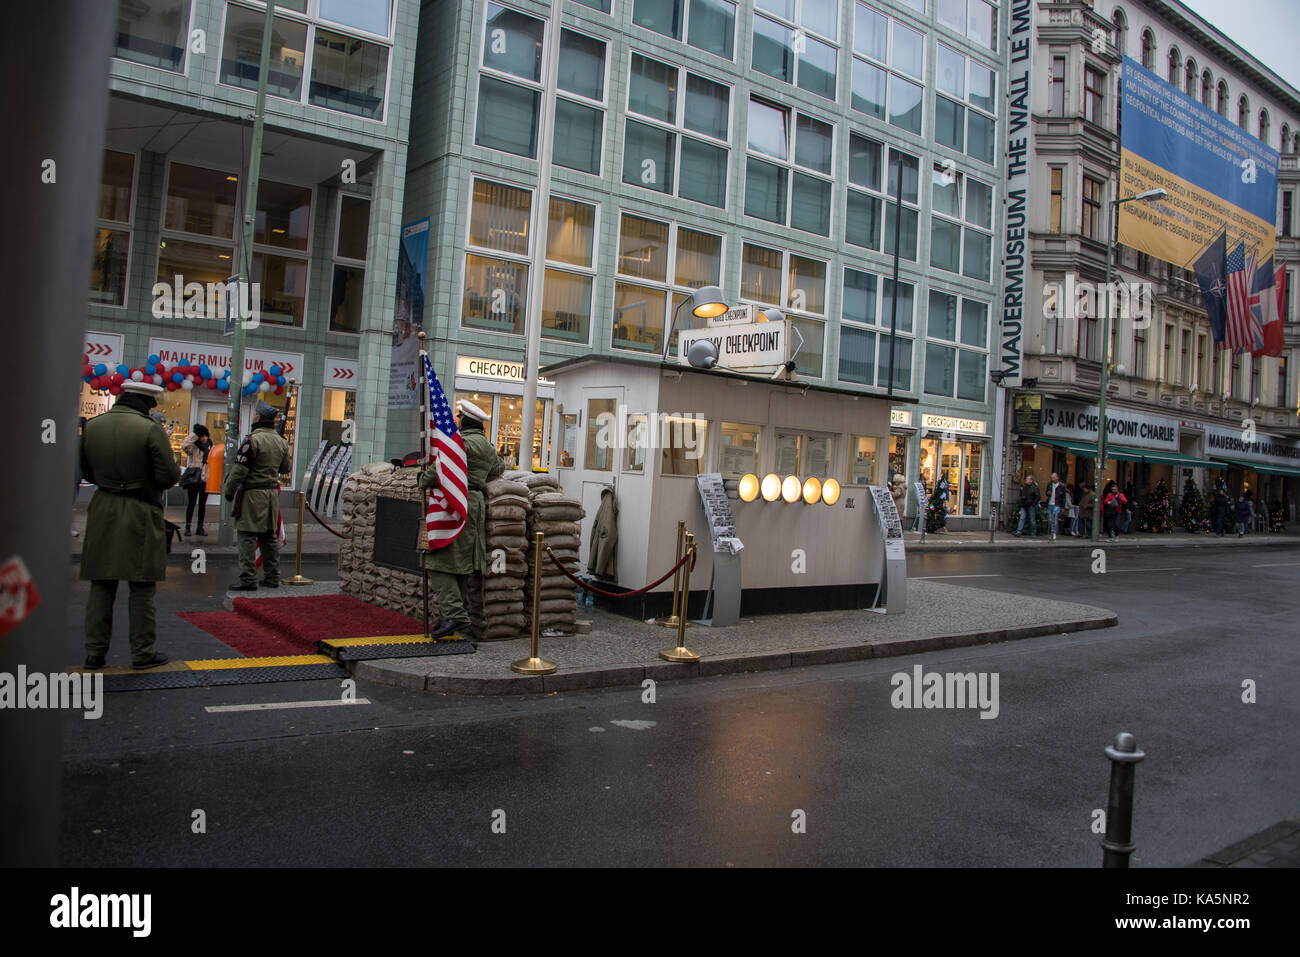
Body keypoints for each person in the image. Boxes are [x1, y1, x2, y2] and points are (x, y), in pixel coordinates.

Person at [78, 381, 180, 670]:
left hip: (102, 507)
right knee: (142, 585)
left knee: (101, 583)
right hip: (140, 508)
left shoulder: (93, 427)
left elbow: (85, 469)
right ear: (146, 404)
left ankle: (94, 652)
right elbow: (169, 475)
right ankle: (142, 652)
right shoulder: (150, 429)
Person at [419, 399, 503, 638]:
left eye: (459, 418)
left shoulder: (460, 443)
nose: (456, 420)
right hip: (475, 504)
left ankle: (456, 616)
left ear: (463, 420)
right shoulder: (487, 446)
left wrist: (422, 480)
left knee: (439, 559)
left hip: (453, 502)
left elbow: (441, 469)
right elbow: (499, 467)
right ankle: (449, 618)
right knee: (462, 564)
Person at [224, 402, 291, 590]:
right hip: (270, 495)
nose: (253, 417)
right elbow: (286, 468)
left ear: (259, 418)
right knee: (268, 537)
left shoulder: (251, 440)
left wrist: (229, 492)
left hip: (252, 494)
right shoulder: (281, 441)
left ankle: (248, 579)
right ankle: (272, 576)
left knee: (246, 536)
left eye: (255, 415)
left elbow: (239, 471)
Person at [180, 424, 214, 536]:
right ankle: (188, 527)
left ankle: (200, 527)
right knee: (191, 503)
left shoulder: (210, 447)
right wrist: (194, 434)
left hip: (205, 479)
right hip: (194, 478)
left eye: (205, 436)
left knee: (202, 504)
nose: (204, 438)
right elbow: (184, 445)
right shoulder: (193, 447)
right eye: (201, 436)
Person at [1045, 472, 1069, 541]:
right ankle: (1052, 532)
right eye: (1052, 478)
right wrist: (1048, 493)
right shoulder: (1049, 484)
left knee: (1055, 518)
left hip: (1057, 504)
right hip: (1050, 504)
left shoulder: (1061, 486)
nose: (1053, 479)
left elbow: (1064, 497)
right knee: (1050, 519)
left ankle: (1054, 533)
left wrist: (1063, 507)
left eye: (1054, 477)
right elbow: (1046, 493)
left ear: (1057, 478)